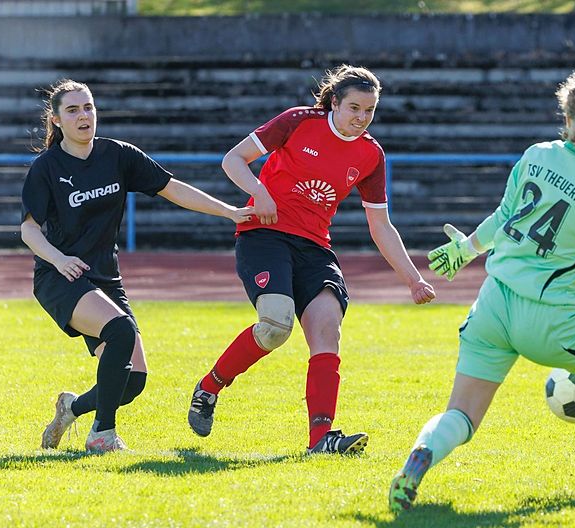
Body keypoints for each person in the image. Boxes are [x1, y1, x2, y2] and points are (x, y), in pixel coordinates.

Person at [388, 63, 575, 511]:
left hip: (492, 306)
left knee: (462, 414)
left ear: (565, 115)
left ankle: (421, 453)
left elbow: (504, 217)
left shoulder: (535, 154)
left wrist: (466, 249)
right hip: (553, 323)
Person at [187, 64, 436, 454]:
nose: (361, 118)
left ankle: (320, 439)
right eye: (354, 108)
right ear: (334, 102)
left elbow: (381, 225)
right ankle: (209, 388)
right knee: (275, 327)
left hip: (314, 248)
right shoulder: (299, 122)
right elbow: (233, 160)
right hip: (263, 235)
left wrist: (412, 278)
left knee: (326, 332)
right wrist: (260, 192)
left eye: (369, 111)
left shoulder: (371, 154)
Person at [21, 79, 253, 453]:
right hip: (60, 275)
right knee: (121, 330)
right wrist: (59, 259)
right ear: (57, 120)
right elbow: (28, 231)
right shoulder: (46, 168)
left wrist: (228, 212)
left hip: (103, 276)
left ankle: (71, 408)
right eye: (73, 110)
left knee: (134, 381)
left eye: (89, 107)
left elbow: (172, 187)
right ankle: (102, 435)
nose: (84, 116)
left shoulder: (117, 155)